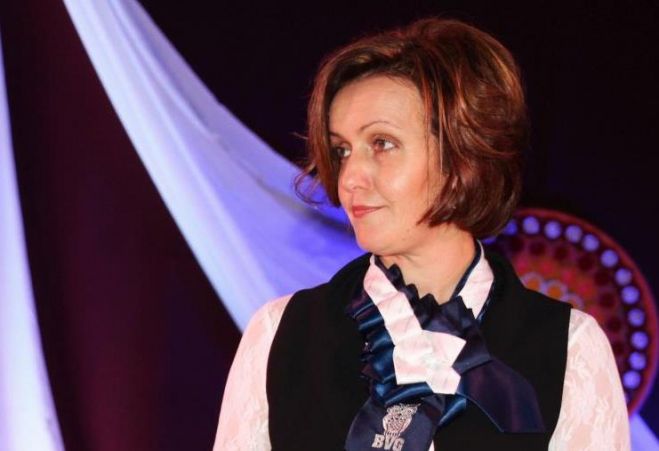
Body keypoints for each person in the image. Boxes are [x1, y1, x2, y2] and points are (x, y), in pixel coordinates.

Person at [214, 17, 629, 450]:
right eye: (342, 150)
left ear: (462, 157)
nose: (349, 177)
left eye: (382, 143)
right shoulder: (280, 334)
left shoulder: (569, 349)